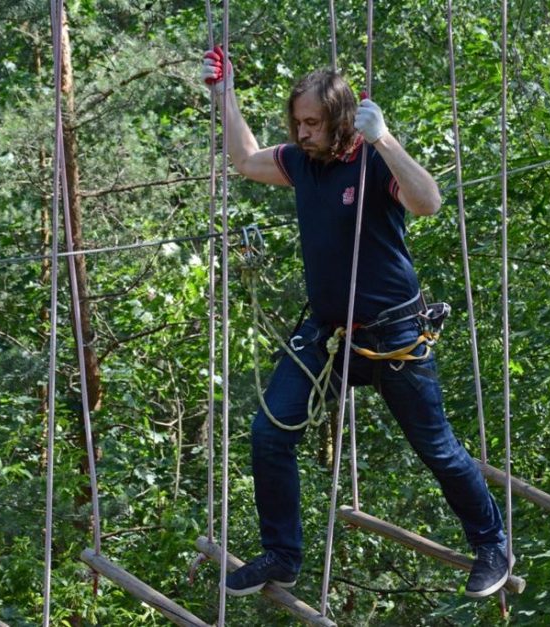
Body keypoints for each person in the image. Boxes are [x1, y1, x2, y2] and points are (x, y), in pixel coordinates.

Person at [200, 45, 511, 599]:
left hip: (393, 334)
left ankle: (493, 545)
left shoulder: (371, 161)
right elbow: (245, 160)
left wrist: (385, 139)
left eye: (313, 123)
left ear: (341, 119)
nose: (303, 133)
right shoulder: (300, 162)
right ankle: (282, 554)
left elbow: (429, 202)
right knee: (269, 433)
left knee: (437, 449)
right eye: (297, 123)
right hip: (327, 333)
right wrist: (224, 94)